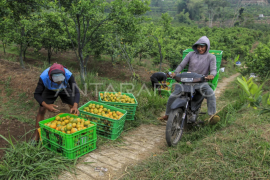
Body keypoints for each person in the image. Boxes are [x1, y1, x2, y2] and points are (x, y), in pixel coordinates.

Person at [159, 36, 219, 123]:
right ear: (196, 47)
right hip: (187, 80)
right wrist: (175, 73)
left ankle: (212, 115)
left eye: (202, 46)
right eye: (198, 46)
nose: (200, 49)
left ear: (207, 46)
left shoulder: (211, 57)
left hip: (201, 81)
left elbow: (213, 69)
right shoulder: (191, 54)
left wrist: (212, 75)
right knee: (173, 96)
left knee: (210, 93)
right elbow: (181, 65)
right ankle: (167, 115)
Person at [33, 63, 80, 143]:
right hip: (49, 89)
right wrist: (47, 106)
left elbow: (76, 92)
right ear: (51, 77)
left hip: (64, 88)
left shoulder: (68, 74)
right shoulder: (44, 77)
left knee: (73, 108)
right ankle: (36, 137)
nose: (59, 82)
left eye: (61, 79)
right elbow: (36, 94)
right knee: (42, 109)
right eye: (56, 80)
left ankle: (75, 133)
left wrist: (75, 106)